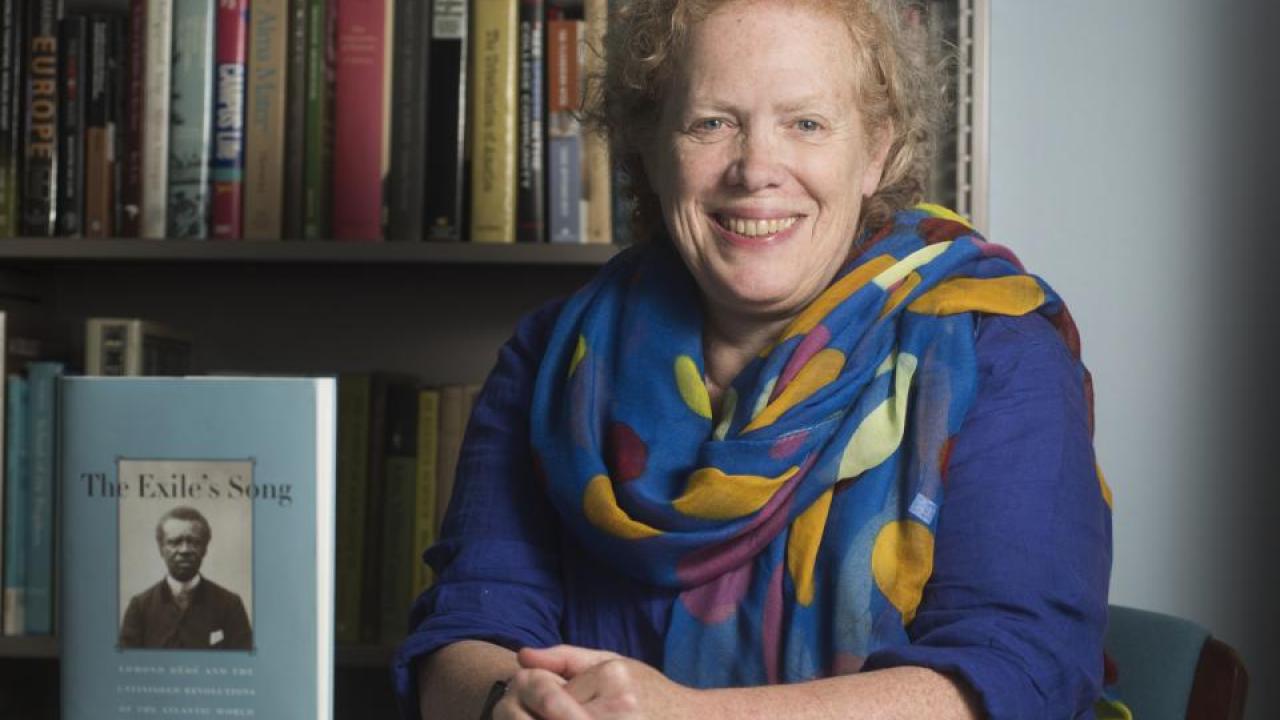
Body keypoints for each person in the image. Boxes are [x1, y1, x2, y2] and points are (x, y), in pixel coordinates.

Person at [398, 0, 1116, 718]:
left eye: (805, 123)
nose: (756, 169)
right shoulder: (553, 361)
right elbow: (467, 629)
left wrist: (691, 716)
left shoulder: (998, 356)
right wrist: (504, 702)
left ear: (876, 151)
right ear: (649, 147)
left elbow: (1020, 675)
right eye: (712, 122)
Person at [119, 506, 253, 651]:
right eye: (175, 542)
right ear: (161, 549)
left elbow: (241, 663)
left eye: (194, 542)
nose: (184, 550)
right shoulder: (139, 608)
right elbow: (129, 666)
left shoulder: (230, 605)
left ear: (205, 549)